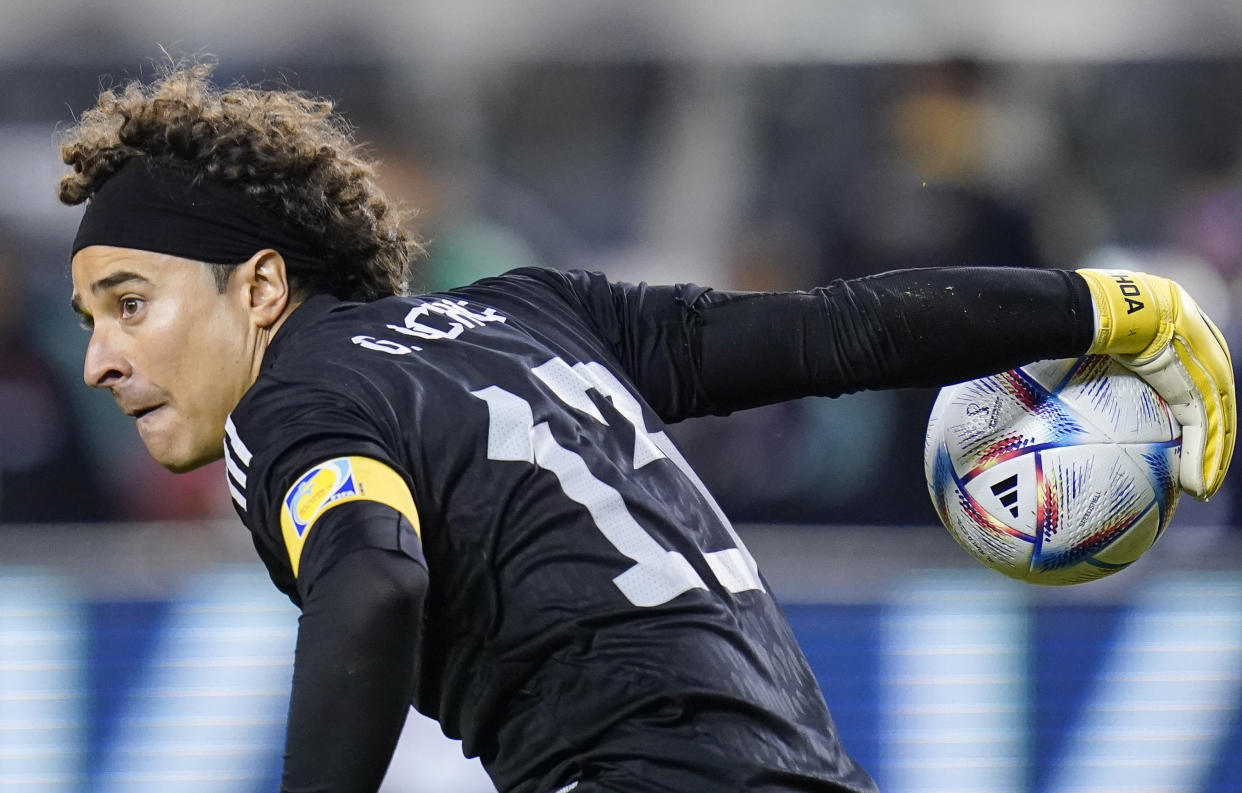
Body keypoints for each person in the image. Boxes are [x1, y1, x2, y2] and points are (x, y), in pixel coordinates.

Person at [59, 63, 1234, 793]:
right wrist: (1112, 302)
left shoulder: (292, 402)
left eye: (130, 302)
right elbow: (838, 332)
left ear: (261, 289)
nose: (102, 356)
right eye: (89, 318)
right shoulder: (524, 315)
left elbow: (371, 583)